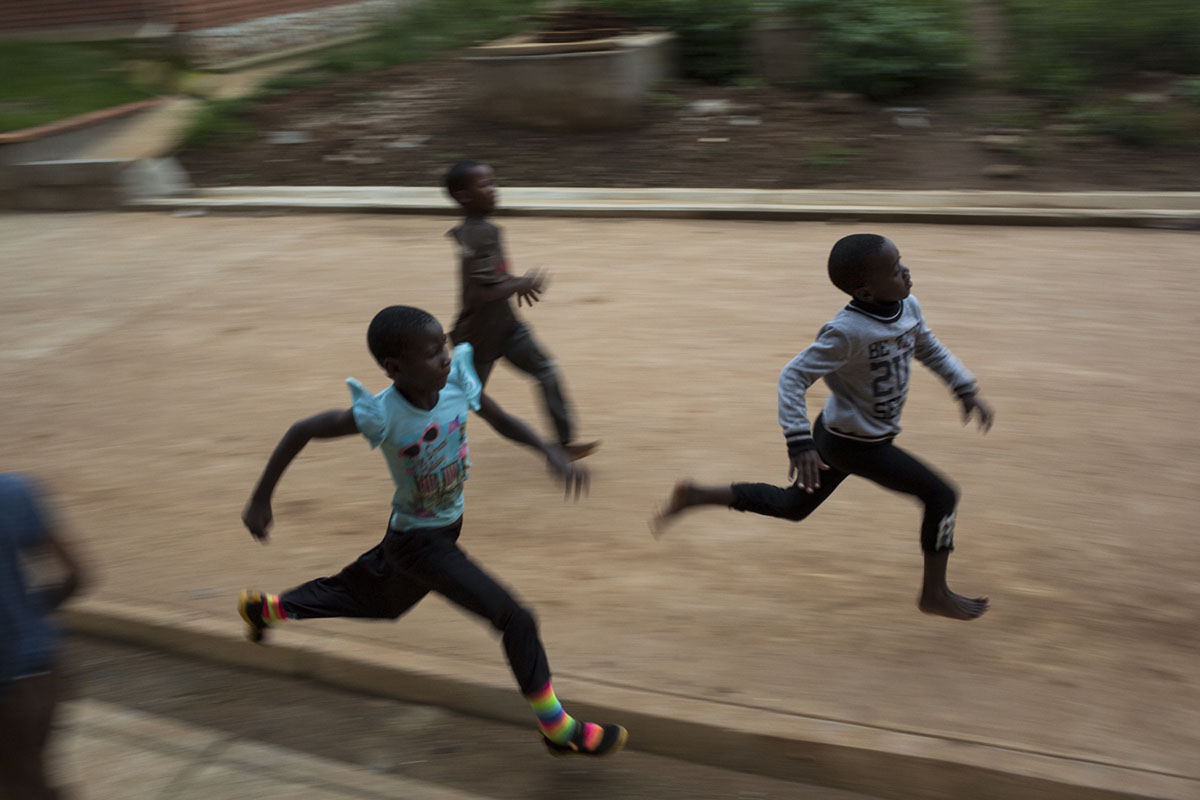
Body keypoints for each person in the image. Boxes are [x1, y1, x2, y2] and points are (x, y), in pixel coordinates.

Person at [238, 305, 626, 756]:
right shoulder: (381, 415)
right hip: (417, 544)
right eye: (430, 353)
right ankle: (558, 729)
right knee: (515, 618)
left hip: (439, 530)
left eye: (442, 345)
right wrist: (261, 497)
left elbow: (501, 420)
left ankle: (267, 610)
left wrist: (548, 451)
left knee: (376, 602)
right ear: (395, 367)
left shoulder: (458, 384)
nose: (444, 357)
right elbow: (302, 429)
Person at [652, 233, 994, 620]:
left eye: (902, 262)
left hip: (847, 435)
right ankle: (934, 593)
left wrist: (963, 387)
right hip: (851, 444)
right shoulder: (847, 331)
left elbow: (928, 346)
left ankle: (696, 495)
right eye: (894, 270)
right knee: (941, 496)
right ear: (866, 291)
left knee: (793, 506)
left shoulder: (908, 306)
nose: (905, 271)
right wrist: (799, 441)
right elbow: (792, 377)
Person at [442, 159, 598, 461]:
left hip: (506, 326)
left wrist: (515, 282)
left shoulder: (483, 230)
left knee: (545, 370)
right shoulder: (479, 234)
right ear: (463, 196)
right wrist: (517, 284)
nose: (494, 190)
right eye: (485, 185)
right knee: (464, 398)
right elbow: (477, 292)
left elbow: (489, 279)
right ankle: (427, 442)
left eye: (493, 183)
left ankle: (563, 444)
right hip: (477, 337)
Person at [1, 473, 88, 799]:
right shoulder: (14, 492)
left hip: (7, 687)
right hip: (47, 666)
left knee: (23, 785)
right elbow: (77, 574)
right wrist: (31, 616)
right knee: (30, 777)